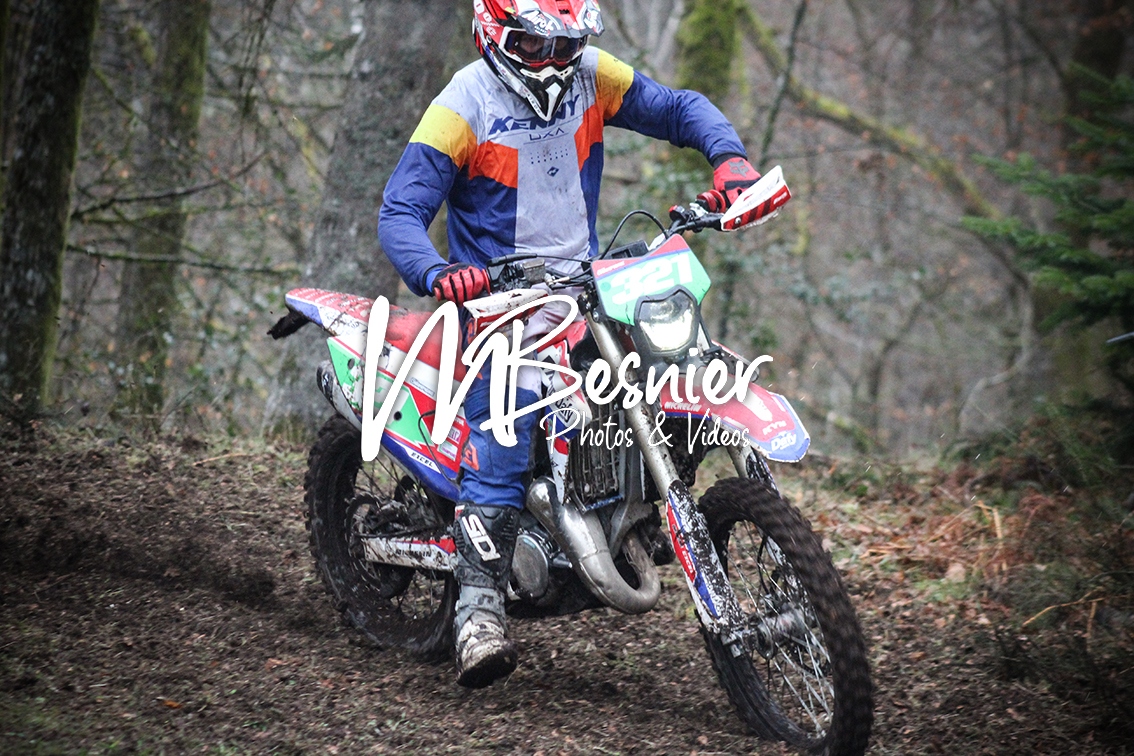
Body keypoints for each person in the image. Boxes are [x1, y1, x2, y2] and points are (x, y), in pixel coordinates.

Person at [378, 0, 766, 688]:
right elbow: (400, 211)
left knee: (670, 374)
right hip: (499, 308)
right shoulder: (462, 104)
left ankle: (638, 512)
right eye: (535, 46)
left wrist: (729, 160)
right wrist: (437, 272)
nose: (555, 62)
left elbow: (678, 108)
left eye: (566, 46)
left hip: (585, 291)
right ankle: (478, 611)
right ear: (495, 33)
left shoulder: (593, 76)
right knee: (505, 432)